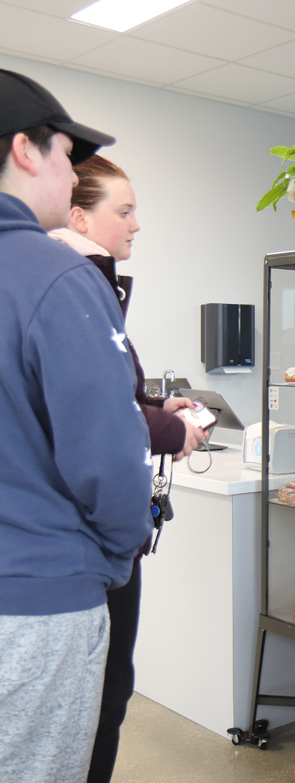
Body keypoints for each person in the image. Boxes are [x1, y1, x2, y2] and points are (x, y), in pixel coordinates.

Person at [0, 68, 151, 781]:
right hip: (37, 605)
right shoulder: (55, 277)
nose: (71, 171)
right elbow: (112, 458)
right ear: (27, 151)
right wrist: (118, 551)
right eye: (66, 152)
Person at [52, 154, 209, 783]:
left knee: (105, 696)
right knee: (101, 701)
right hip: (87, 545)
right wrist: (173, 428)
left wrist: (153, 406)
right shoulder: (75, 289)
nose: (136, 224)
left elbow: (105, 395)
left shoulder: (87, 289)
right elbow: (95, 413)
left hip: (95, 542)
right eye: (124, 211)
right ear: (78, 216)